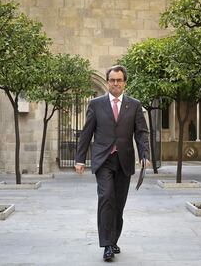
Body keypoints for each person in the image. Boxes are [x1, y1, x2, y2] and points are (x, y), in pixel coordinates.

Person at [74, 65, 149, 262]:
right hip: (103, 160)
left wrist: (144, 154)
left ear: (124, 82)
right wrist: (80, 159)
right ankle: (106, 245)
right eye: (112, 80)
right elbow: (87, 133)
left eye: (119, 80)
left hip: (124, 161)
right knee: (106, 198)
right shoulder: (96, 104)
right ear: (107, 82)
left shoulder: (134, 105)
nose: (115, 83)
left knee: (118, 204)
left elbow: (141, 132)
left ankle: (114, 240)